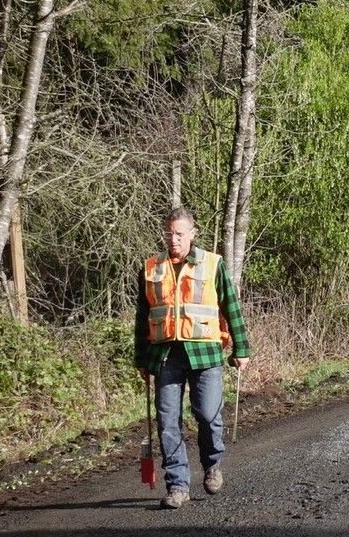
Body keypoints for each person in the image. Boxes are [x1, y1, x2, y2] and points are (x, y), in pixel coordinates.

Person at [135, 207, 251, 509]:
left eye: (179, 234)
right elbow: (142, 317)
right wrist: (141, 359)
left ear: (192, 234)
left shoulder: (213, 264)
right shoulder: (151, 267)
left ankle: (212, 465)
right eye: (169, 234)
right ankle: (177, 485)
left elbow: (231, 307)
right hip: (165, 355)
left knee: (208, 414)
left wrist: (242, 348)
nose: (173, 239)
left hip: (205, 352)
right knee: (167, 421)